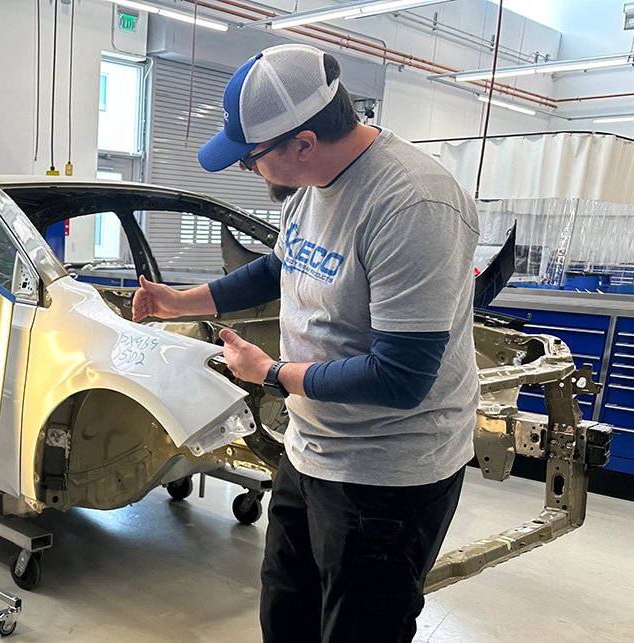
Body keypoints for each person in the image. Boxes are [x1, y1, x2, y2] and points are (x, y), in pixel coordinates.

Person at [132, 44, 480, 642]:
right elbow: (279, 269)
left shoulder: (413, 204)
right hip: (311, 451)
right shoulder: (312, 189)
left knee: (358, 630)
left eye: (252, 159)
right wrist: (178, 300)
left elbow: (401, 376)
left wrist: (271, 373)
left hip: (387, 477)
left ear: (303, 142)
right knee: (287, 616)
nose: (248, 170)